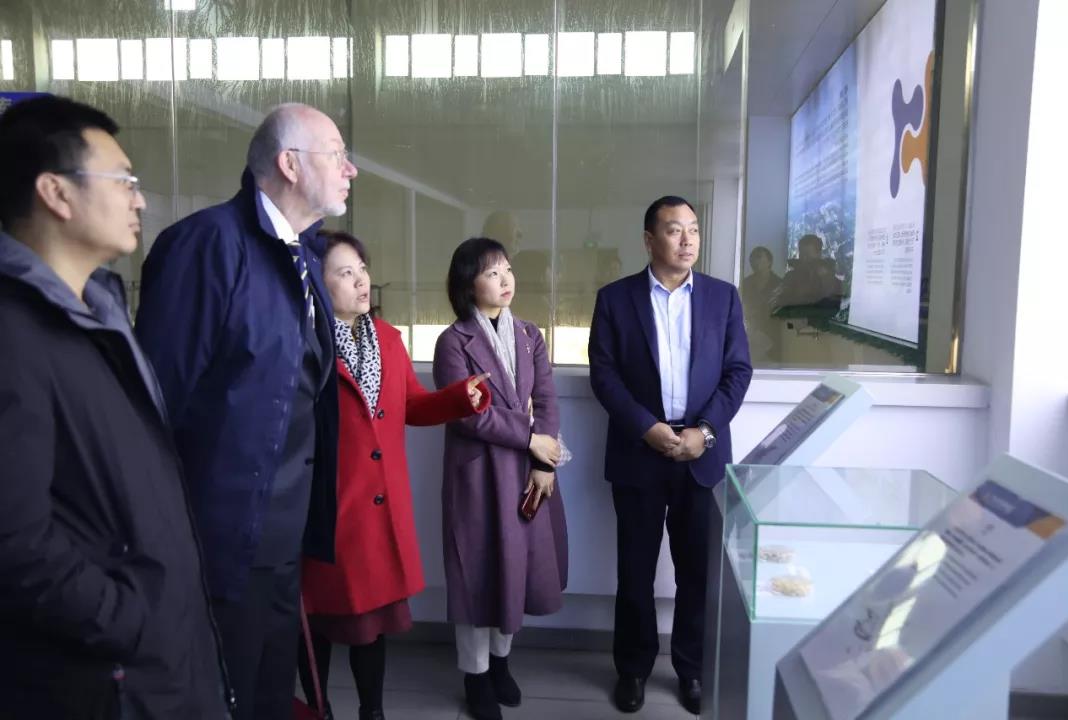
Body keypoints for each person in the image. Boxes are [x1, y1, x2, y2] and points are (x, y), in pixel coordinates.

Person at [0, 95, 230, 718]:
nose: (140, 200)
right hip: (105, 676)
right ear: (56, 192)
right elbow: (14, 543)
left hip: (162, 659)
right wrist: (131, 619)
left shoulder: (101, 314)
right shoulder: (15, 332)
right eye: (124, 180)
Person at [135, 103, 357, 720]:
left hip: (282, 537)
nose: (351, 170)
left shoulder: (302, 254)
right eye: (337, 155)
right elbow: (156, 400)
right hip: (220, 537)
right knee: (218, 695)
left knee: (268, 695)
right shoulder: (207, 246)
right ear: (290, 164)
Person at [297, 230, 492, 720]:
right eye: (346, 273)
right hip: (327, 511)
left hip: (379, 511)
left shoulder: (387, 338)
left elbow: (411, 407)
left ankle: (373, 712)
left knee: (371, 626)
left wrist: (459, 397)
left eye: (362, 268)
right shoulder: (303, 342)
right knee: (315, 623)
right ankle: (319, 710)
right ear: (317, 282)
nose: (361, 280)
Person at [588, 196, 752, 715]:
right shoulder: (615, 299)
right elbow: (604, 374)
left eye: (694, 230)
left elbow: (738, 372)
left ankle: (692, 669)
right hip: (640, 451)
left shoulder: (723, 298)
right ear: (649, 239)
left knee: (697, 572)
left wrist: (705, 430)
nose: (688, 240)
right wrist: (647, 428)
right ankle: (633, 670)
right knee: (635, 571)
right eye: (675, 230)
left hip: (701, 454)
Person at [432, 237, 569, 720]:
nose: (505, 279)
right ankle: (475, 676)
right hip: (478, 475)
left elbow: (547, 400)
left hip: (527, 471)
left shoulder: (530, 335)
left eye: (507, 269)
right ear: (467, 283)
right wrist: (530, 436)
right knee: (478, 573)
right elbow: (468, 413)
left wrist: (544, 462)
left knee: (517, 569)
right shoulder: (452, 342)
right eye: (491, 272)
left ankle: (501, 663)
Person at [771, 233, 843, 310]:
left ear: (819, 254)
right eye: (801, 254)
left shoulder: (832, 280)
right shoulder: (790, 276)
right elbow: (779, 302)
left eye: (807, 255)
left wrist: (825, 279)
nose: (803, 258)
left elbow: (832, 306)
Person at [739, 245, 783, 362]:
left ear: (769, 261)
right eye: (752, 258)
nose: (755, 261)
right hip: (751, 332)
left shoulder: (779, 284)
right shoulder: (745, 283)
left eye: (759, 257)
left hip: (773, 333)